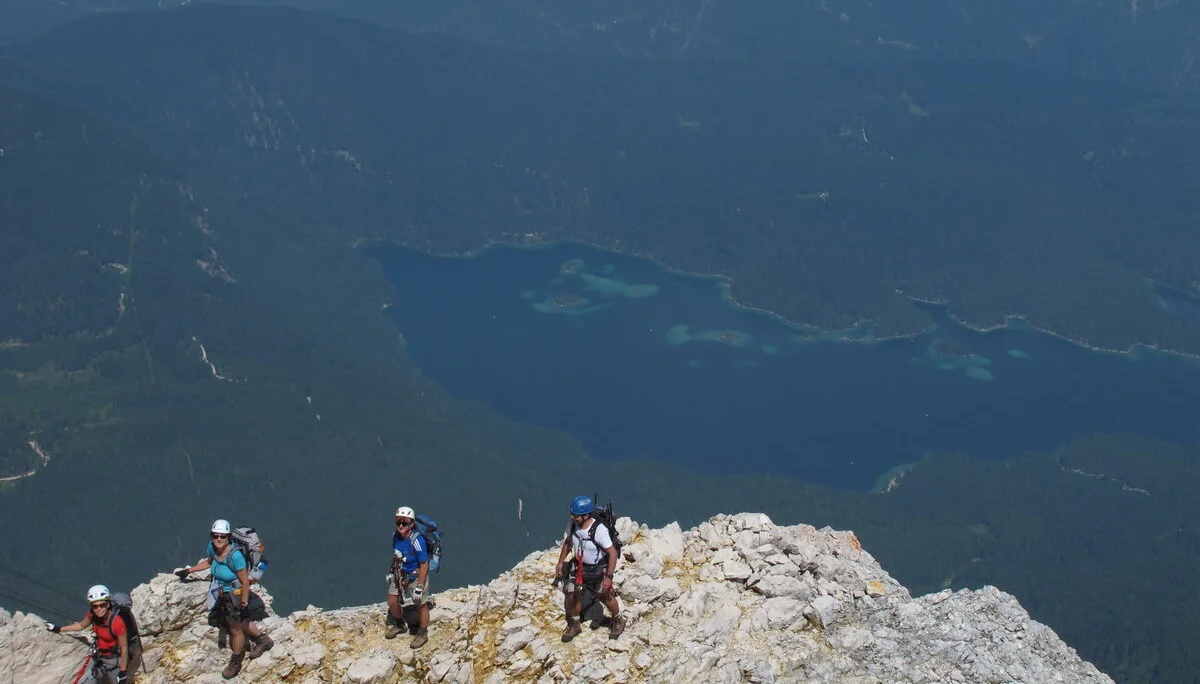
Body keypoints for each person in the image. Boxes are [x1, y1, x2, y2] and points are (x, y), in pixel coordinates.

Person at [173, 519, 271, 679]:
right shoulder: (212, 548)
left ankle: (236, 661)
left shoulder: (236, 556)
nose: (218, 539)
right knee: (240, 623)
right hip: (223, 593)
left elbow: (245, 581)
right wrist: (189, 570)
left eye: (223, 536)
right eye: (215, 535)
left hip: (236, 594)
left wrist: (244, 604)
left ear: (228, 538)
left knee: (235, 629)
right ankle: (263, 640)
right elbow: (209, 562)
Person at [554, 495, 624, 642]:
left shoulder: (599, 530)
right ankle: (574, 625)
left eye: (576, 515)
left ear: (586, 515)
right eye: (572, 514)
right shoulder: (573, 525)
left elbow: (612, 553)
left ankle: (618, 620)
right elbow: (568, 543)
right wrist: (561, 562)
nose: (573, 517)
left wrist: (608, 577)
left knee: (603, 595)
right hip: (579, 566)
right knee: (573, 594)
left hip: (598, 568)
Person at [45, 584, 141, 684]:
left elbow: (124, 648)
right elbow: (81, 626)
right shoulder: (92, 615)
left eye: (102, 605)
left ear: (108, 605)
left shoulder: (117, 622)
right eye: (95, 606)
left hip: (114, 661)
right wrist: (59, 629)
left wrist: (123, 671)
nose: (99, 609)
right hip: (99, 657)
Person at [386, 506, 430, 648]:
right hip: (400, 573)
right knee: (392, 601)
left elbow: (424, 565)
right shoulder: (396, 537)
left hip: (416, 575)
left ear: (411, 524)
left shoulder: (417, 541)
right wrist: (391, 572)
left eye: (404, 522)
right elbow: (397, 556)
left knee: (420, 604)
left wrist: (420, 587)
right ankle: (400, 624)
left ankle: (422, 633)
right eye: (398, 522)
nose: (400, 525)